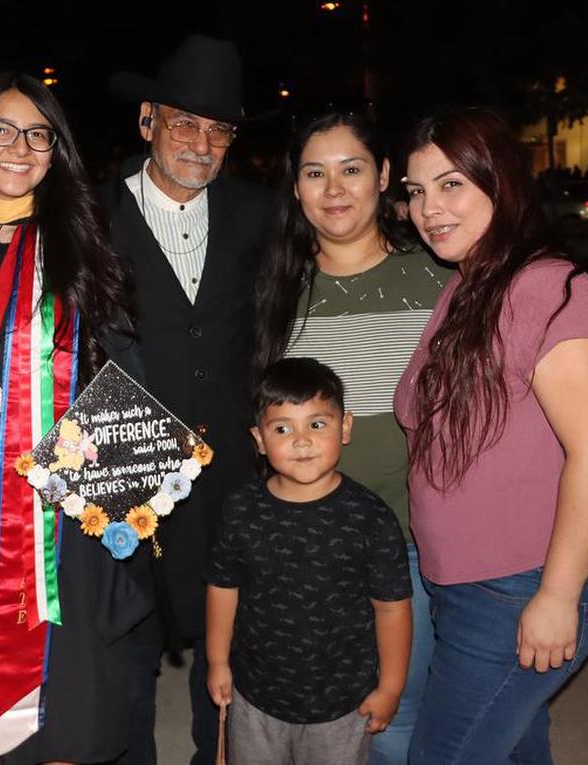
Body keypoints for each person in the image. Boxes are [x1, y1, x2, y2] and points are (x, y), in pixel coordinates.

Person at [0, 71, 150, 765]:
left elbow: (125, 377)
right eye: (0, 130)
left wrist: (118, 514)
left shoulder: (83, 248)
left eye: (37, 134)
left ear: (55, 151)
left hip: (56, 518)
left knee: (65, 710)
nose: (19, 146)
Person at [396, 107, 588, 763]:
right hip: (464, 586)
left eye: (450, 184)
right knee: (518, 748)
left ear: (500, 181)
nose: (428, 208)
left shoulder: (549, 287)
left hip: (520, 587)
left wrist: (558, 596)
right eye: (415, 191)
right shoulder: (468, 284)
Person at [252, 109, 452, 764]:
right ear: (296, 186)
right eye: (315, 173)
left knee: (397, 716)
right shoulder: (273, 288)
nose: (334, 190)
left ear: (384, 177)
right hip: (311, 548)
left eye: (352, 169)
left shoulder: (439, 278)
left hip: (414, 543)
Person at [103, 34, 273, 764]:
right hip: (127, 465)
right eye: (185, 123)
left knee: (226, 640)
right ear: (148, 121)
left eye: (218, 130)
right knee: (129, 643)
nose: (202, 144)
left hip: (234, 465)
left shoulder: (258, 212)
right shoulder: (88, 210)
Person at [206, 358, 412, 765]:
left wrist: (391, 688)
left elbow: (392, 607)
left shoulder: (369, 518)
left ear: (345, 427)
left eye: (317, 424)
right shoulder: (241, 509)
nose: (301, 440)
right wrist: (216, 661)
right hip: (256, 697)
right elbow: (223, 586)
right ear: (259, 439)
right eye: (282, 428)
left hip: (341, 703)